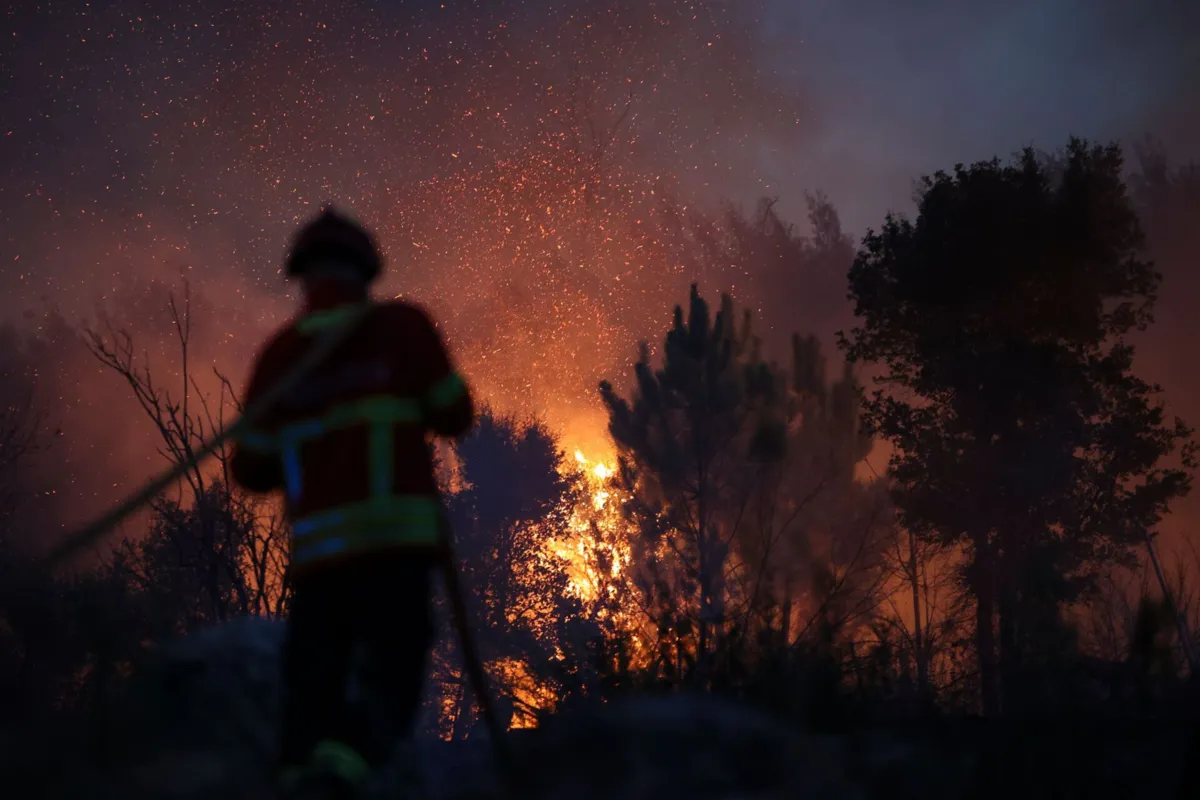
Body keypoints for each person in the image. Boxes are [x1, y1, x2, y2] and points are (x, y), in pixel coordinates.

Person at [230, 207, 474, 797]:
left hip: (320, 561)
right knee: (393, 669)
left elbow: (251, 467)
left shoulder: (281, 357)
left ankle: (298, 775)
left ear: (302, 276)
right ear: (367, 271)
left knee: (315, 674)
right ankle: (347, 772)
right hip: (397, 548)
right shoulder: (403, 329)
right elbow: (455, 413)